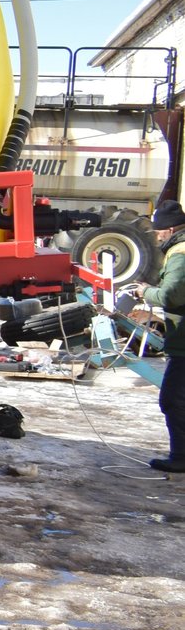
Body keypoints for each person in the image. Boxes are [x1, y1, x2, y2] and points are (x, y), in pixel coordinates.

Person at [140, 198, 185, 472]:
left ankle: (181, 458)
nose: (157, 237)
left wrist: (143, 292)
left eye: (158, 232)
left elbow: (171, 294)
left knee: (172, 400)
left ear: (169, 230)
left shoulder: (179, 252)